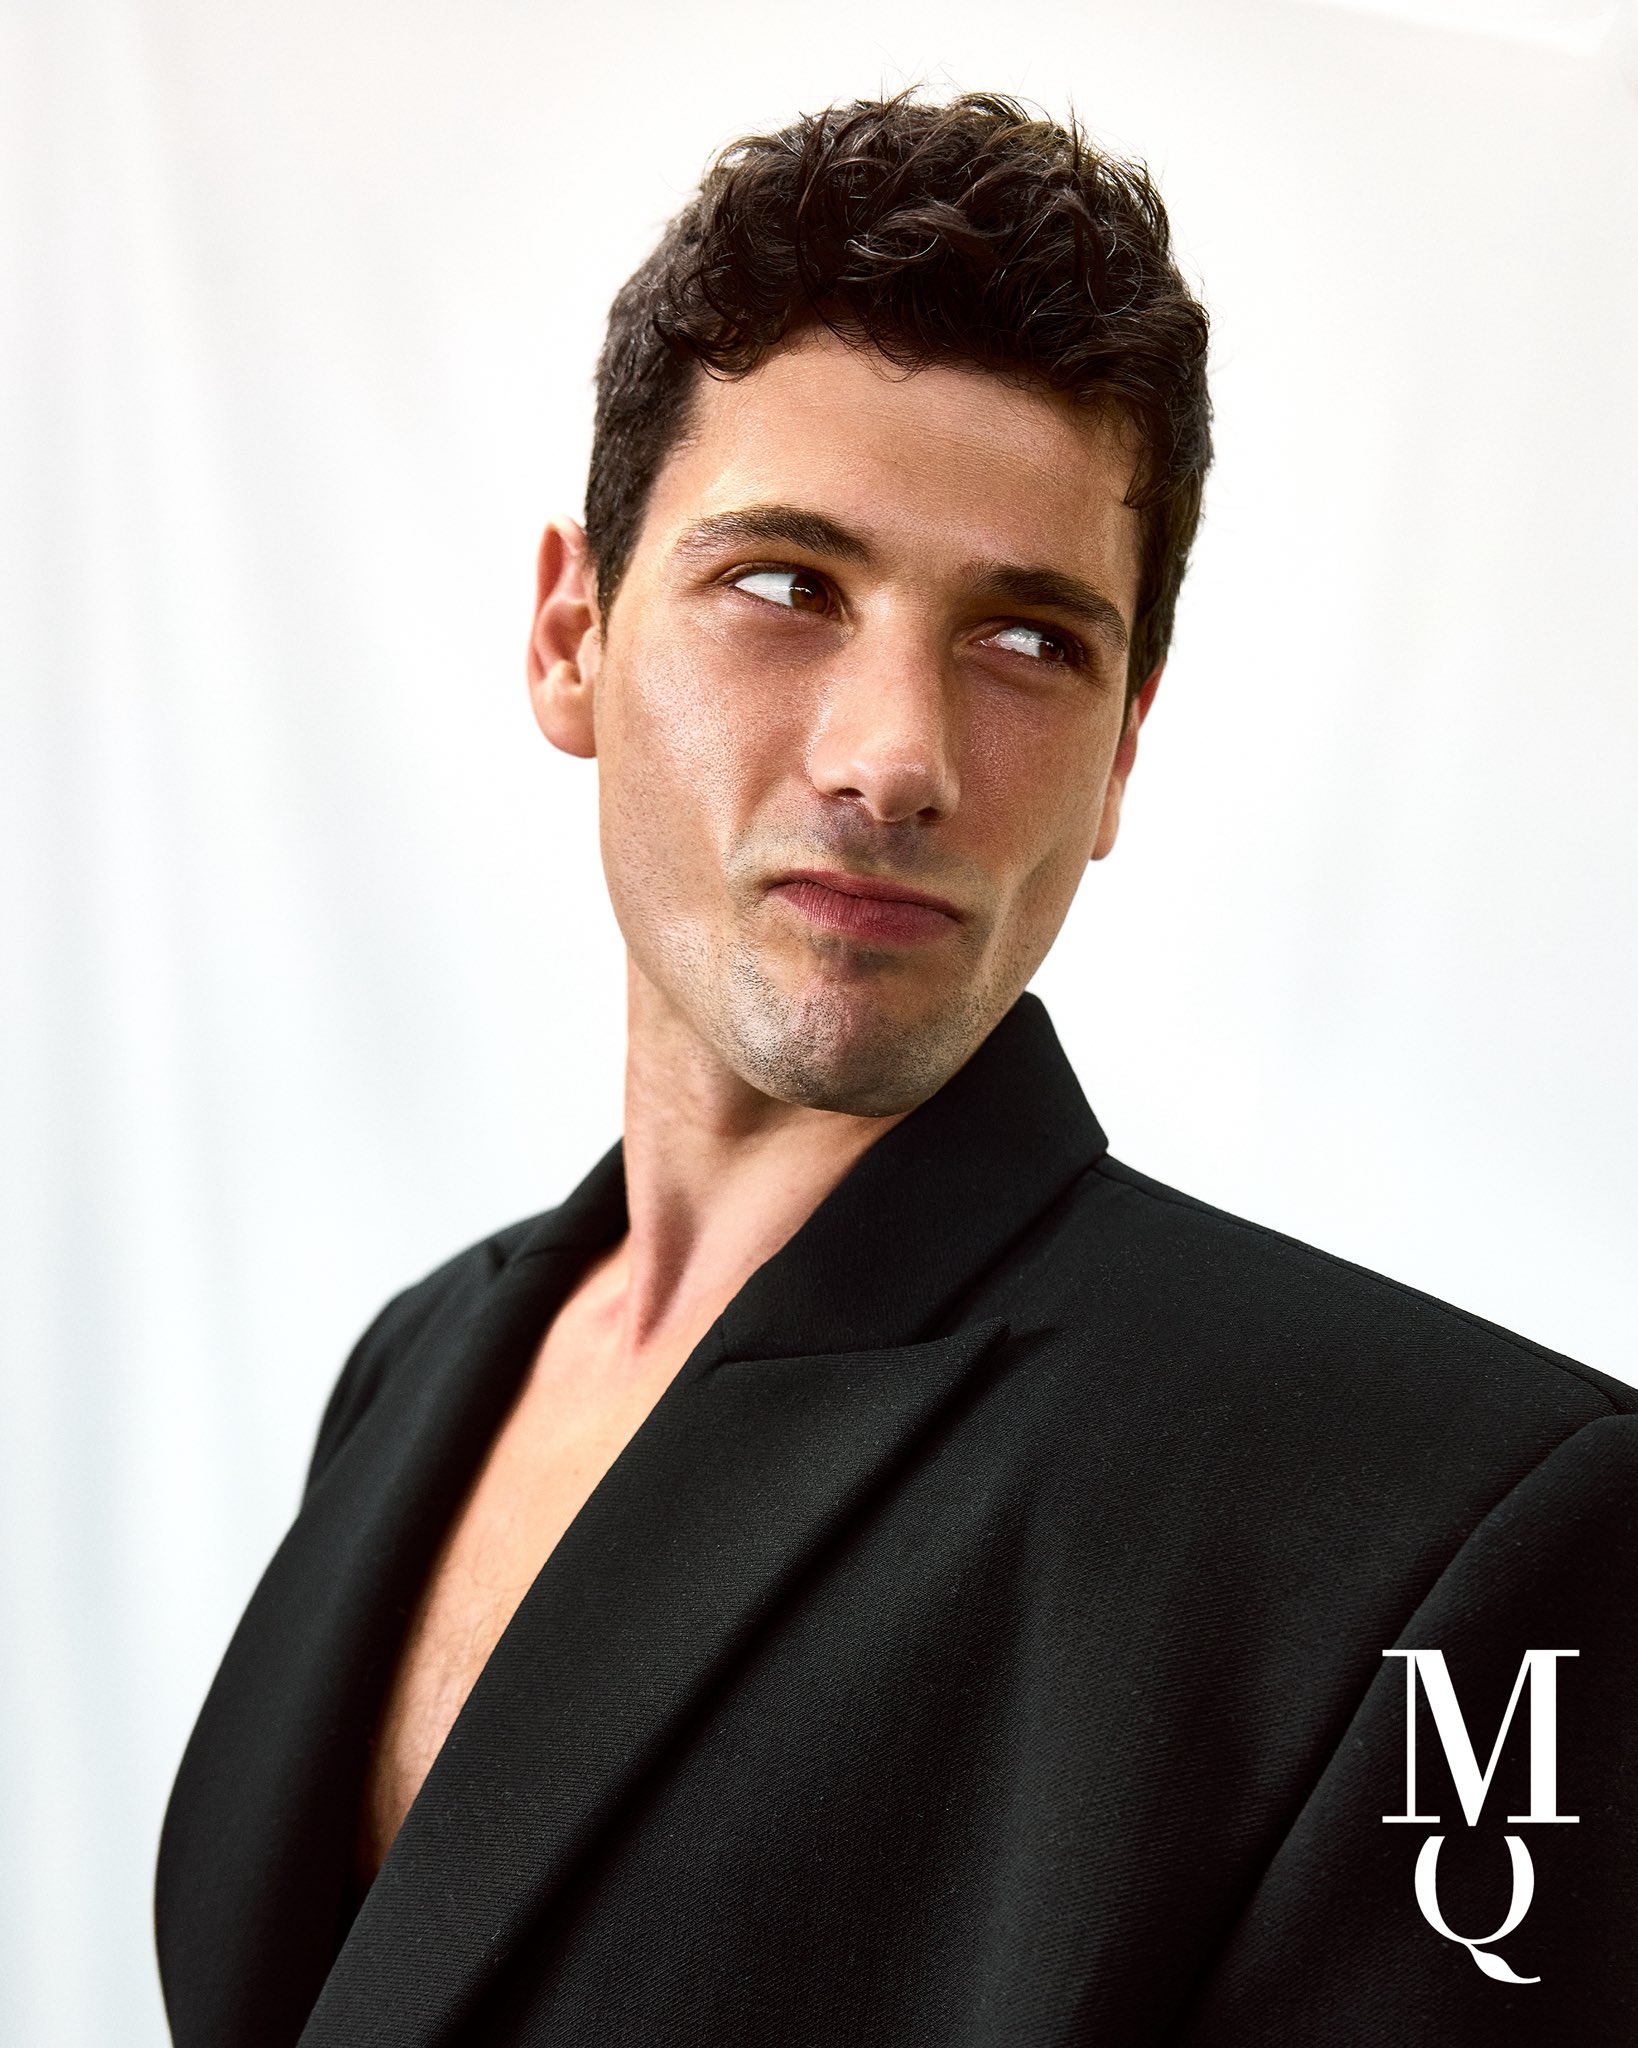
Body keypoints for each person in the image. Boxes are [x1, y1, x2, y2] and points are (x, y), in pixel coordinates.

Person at [155, 91, 1637, 2046]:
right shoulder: (416, 1362)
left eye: (1027, 640)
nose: (895, 757)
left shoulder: (1456, 1532)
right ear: (571, 633)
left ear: (1118, 757)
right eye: (787, 585)